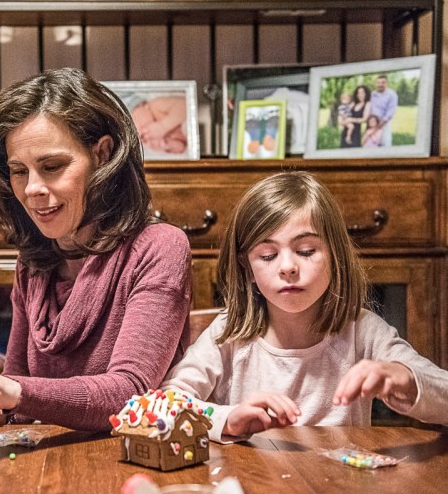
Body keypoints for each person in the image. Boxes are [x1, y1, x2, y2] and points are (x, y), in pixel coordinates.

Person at [0, 67, 193, 431]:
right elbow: (20, 387)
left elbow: (131, 394)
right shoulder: (33, 262)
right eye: (19, 171)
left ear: (103, 154)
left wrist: (6, 391)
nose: (31, 189)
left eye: (52, 166)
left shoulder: (160, 247)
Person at [161, 171, 448, 443]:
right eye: (268, 255)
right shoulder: (228, 333)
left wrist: (408, 379)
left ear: (336, 256)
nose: (288, 267)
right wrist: (227, 419)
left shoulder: (364, 331)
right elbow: (164, 406)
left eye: (306, 251)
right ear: (246, 268)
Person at [369, 75, 398, 147]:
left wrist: (379, 125)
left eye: (383, 82)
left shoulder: (392, 95)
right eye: (378, 83)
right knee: (371, 145)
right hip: (372, 123)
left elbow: (390, 112)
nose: (380, 85)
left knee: (386, 145)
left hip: (384, 124)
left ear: (387, 83)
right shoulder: (372, 94)